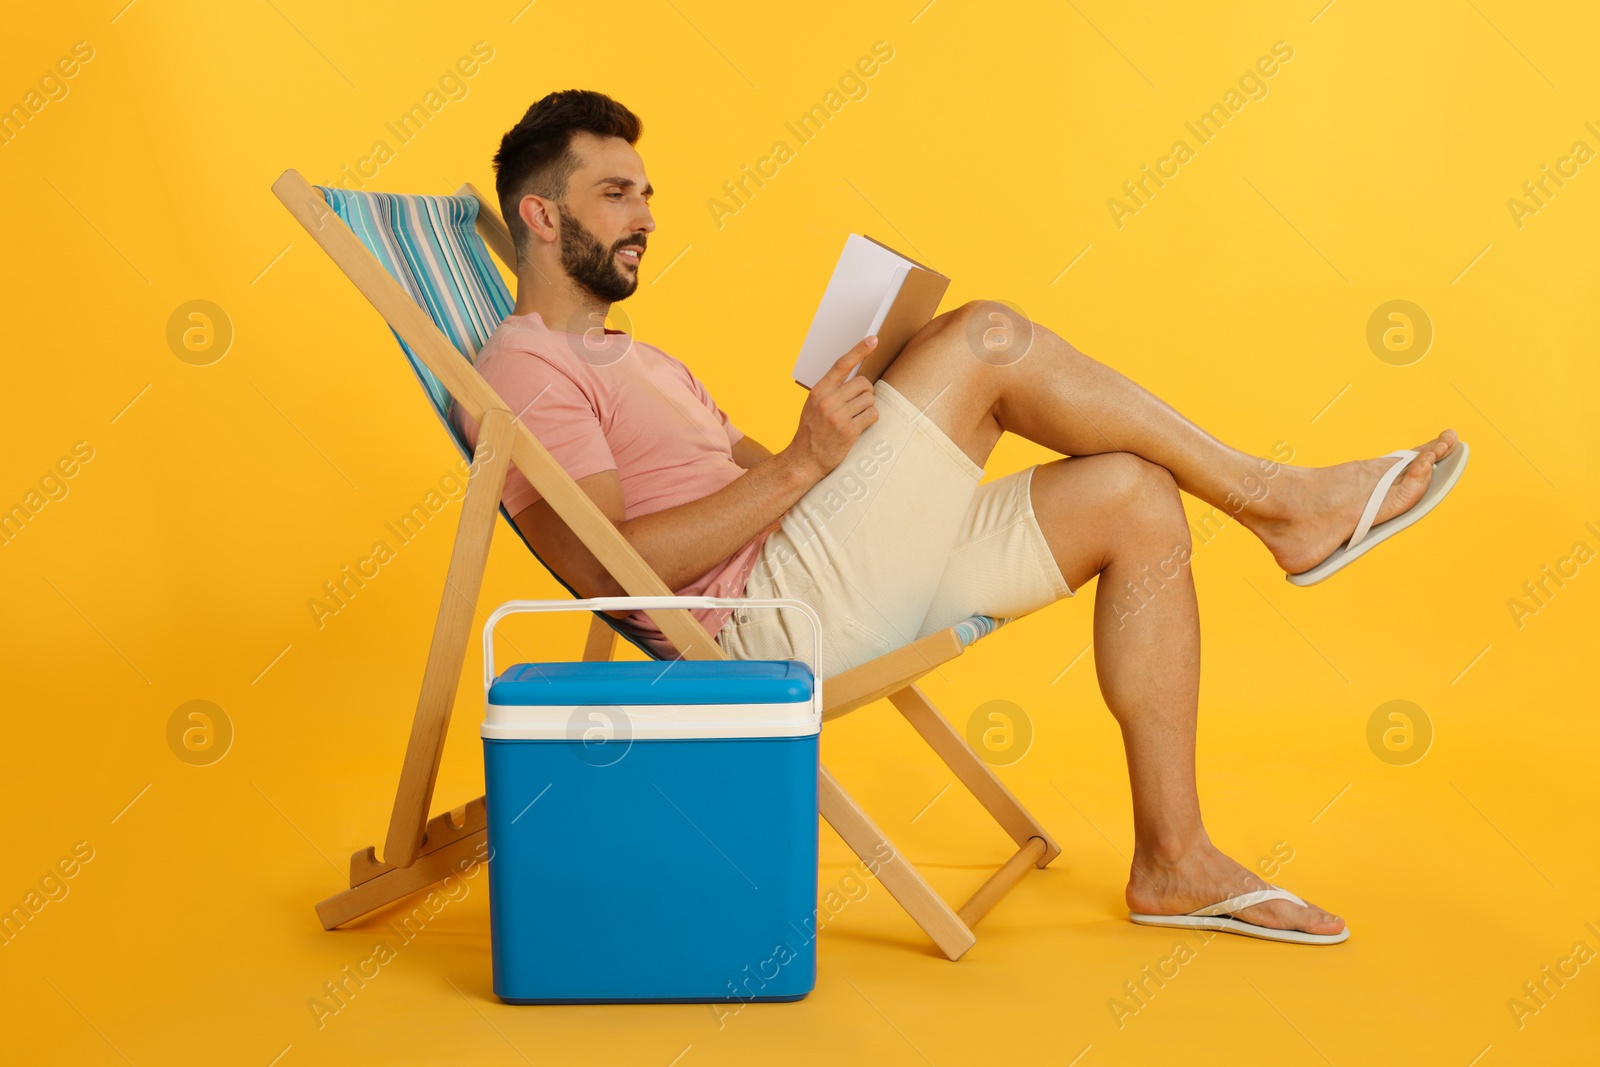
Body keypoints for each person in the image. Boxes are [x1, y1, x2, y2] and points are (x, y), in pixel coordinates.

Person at [454, 89, 1466, 946]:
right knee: (984, 336)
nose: (645, 215)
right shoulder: (525, 367)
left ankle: (1173, 856)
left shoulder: (634, 355)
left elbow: (752, 474)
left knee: (1133, 497)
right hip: (774, 622)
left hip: (825, 561)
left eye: (646, 194)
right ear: (542, 218)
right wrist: (815, 456)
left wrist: (854, 415)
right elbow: (609, 569)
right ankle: (1281, 502)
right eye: (616, 193)